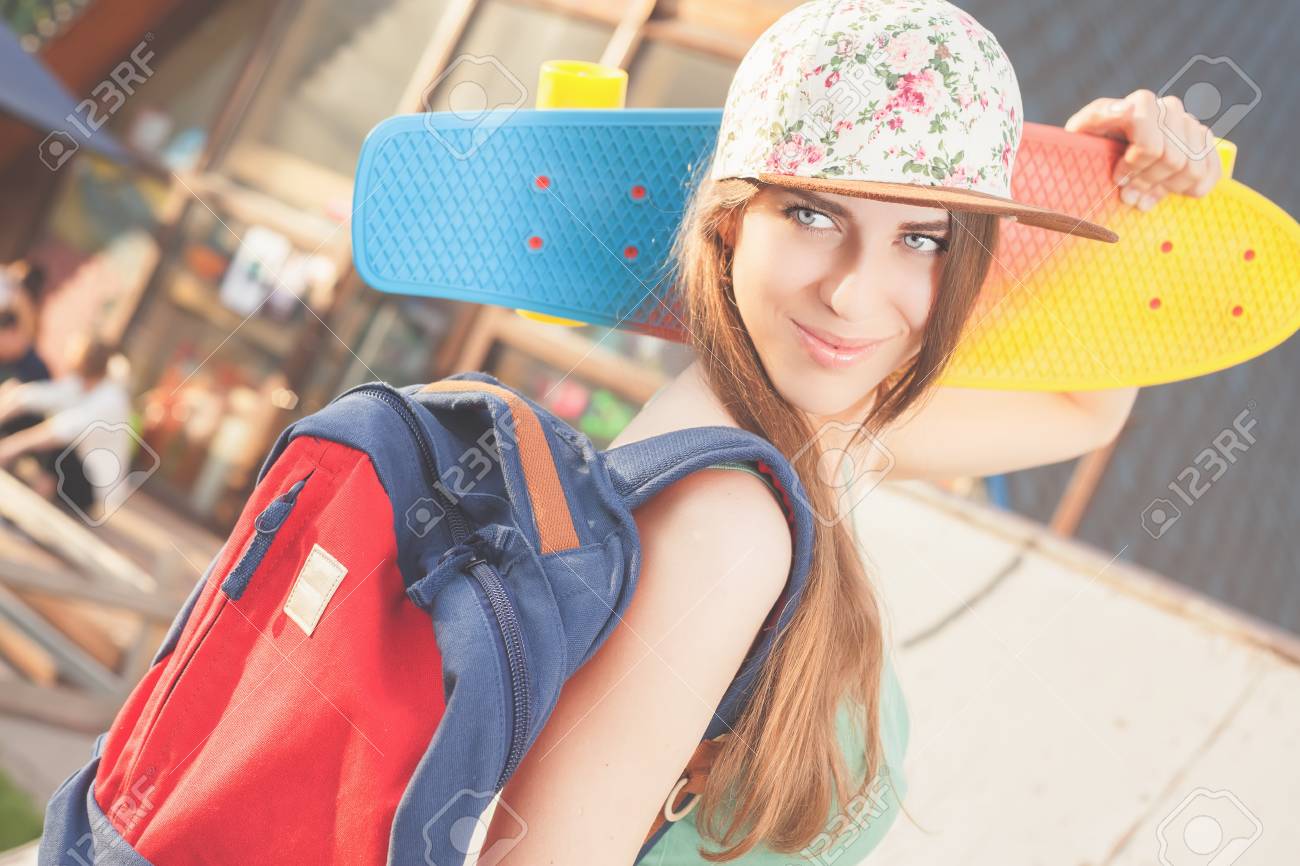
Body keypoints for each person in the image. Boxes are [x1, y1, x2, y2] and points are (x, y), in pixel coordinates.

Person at [478, 1, 1222, 863]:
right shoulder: (723, 523)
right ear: (730, 221)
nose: (853, 294)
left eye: (922, 238)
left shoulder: (811, 433)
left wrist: (1111, 188)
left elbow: (1082, 411)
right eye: (813, 215)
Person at [0, 333, 133, 519]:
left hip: (91, 488)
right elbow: (36, 396)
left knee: (56, 445)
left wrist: (10, 447)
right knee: (28, 417)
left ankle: (29, 508)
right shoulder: (82, 382)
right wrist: (13, 394)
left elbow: (60, 431)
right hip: (74, 462)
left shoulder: (111, 399)